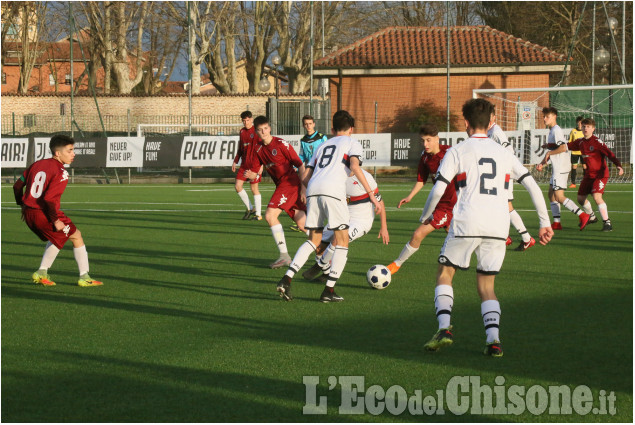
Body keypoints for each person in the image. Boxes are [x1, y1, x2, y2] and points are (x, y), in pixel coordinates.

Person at [420, 99, 552, 357]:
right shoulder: (504, 152)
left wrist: (425, 216)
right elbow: (532, 186)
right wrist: (545, 222)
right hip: (498, 225)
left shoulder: (457, 151)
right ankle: (493, 340)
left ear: (465, 123)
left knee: (445, 273)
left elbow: (438, 188)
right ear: (491, 122)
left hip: (466, 221)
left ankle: (444, 328)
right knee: (486, 285)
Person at [276, 110, 382, 303]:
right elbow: (355, 167)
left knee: (313, 240)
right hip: (333, 190)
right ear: (351, 128)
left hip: (313, 188)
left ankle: (286, 279)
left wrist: (311, 192)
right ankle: (329, 291)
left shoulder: (322, 145)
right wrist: (372, 196)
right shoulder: (352, 142)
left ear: (333, 129)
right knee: (342, 241)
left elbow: (304, 176)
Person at [12, 135, 103, 287]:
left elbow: (16, 186)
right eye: (70, 150)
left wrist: (21, 204)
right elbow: (48, 199)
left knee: (74, 235)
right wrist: (55, 219)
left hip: (30, 212)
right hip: (44, 212)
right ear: (57, 153)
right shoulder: (61, 172)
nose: (73, 154)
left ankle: (75, 274)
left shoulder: (36, 164)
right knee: (63, 235)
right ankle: (77, 276)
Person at [386, 123, 457, 275]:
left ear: (437, 139)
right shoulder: (425, 158)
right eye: (423, 141)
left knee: (418, 233)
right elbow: (421, 180)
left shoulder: (451, 153)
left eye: (428, 140)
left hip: (453, 204)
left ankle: (396, 264)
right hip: (440, 204)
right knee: (453, 232)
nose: (425, 144)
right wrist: (410, 196)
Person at [301, 168, 389, 282]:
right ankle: (327, 273)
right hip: (342, 216)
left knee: (339, 238)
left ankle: (318, 266)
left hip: (361, 220)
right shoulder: (336, 175)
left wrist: (384, 227)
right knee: (318, 245)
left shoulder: (366, 178)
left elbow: (380, 201)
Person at [245, 116, 307, 268]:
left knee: (270, 215)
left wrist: (304, 187)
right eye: (259, 130)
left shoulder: (281, 144)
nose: (263, 132)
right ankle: (326, 252)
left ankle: (284, 256)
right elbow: (259, 168)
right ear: (256, 131)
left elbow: (300, 165)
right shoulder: (258, 148)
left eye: (265, 128)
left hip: (290, 184)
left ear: (270, 128)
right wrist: (255, 175)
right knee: (302, 224)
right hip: (283, 186)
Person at [559, 118, 624, 232]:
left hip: (600, 174)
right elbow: (566, 146)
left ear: (593, 129)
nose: (585, 128)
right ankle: (592, 217)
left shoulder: (597, 142)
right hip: (589, 175)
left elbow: (610, 154)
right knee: (580, 198)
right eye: (584, 126)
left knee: (596, 197)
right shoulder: (580, 142)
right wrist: (551, 146)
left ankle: (607, 223)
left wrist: (618, 165)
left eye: (588, 127)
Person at [536, 107, 591, 230]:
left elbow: (563, 147)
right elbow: (554, 148)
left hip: (561, 167)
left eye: (547, 117)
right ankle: (557, 223)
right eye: (544, 116)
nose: (544, 119)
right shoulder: (551, 131)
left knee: (559, 196)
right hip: (558, 166)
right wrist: (543, 159)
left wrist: (549, 153)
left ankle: (583, 215)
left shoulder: (556, 130)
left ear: (554, 117)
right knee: (551, 194)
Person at [487, 111, 535, 251]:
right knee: (498, 205)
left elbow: (509, 150)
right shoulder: (489, 132)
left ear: (494, 117)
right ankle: (507, 236)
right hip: (498, 174)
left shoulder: (496, 131)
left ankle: (525, 238)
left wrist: (502, 168)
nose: (488, 119)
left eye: (490, 116)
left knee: (506, 206)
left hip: (504, 174)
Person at [288, 115, 329, 233]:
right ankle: (306, 222)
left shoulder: (322, 138)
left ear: (314, 124)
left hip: (321, 171)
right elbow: (302, 156)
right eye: (306, 124)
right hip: (310, 171)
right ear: (303, 125)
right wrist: (295, 166)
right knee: (307, 196)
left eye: (310, 123)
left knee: (323, 195)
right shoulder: (303, 140)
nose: (308, 126)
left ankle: (327, 220)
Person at [232, 111, 262, 220]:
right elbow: (240, 149)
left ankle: (258, 214)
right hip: (244, 165)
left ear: (252, 119)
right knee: (237, 186)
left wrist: (261, 165)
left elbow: (262, 149)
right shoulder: (242, 132)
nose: (246, 122)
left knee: (254, 189)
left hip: (255, 165)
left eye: (247, 120)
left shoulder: (257, 131)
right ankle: (250, 208)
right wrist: (235, 161)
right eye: (244, 121)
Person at [568, 116, 585, 188]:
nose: (580, 124)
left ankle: (585, 182)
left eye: (581, 123)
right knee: (574, 167)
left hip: (583, 152)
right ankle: (573, 183)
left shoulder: (585, 131)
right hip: (574, 152)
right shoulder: (573, 131)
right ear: (577, 123)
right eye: (579, 123)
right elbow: (570, 142)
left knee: (585, 166)